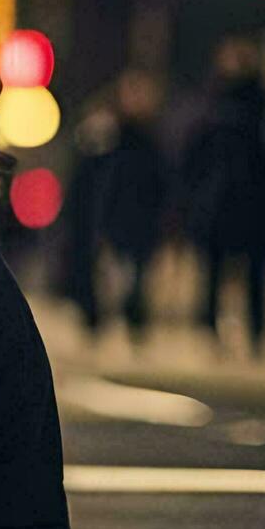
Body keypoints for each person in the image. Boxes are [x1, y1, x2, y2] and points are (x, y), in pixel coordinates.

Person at [181, 37, 265, 353]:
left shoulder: (239, 104)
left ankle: (253, 335)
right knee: (219, 275)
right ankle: (217, 333)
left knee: (251, 276)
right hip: (227, 205)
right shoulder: (217, 105)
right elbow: (192, 158)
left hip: (243, 204)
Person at [93, 69, 169, 336]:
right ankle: (111, 322)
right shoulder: (110, 137)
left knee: (139, 278)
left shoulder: (155, 139)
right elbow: (100, 181)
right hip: (117, 218)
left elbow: (163, 181)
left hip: (145, 219)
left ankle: (136, 325)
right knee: (115, 277)